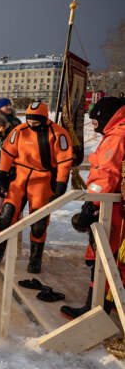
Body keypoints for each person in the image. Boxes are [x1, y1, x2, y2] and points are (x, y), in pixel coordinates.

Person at [0, 101, 73, 273]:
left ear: (44, 119)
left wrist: (61, 185)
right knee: (5, 216)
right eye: (29, 121)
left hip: (43, 180)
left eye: (36, 122)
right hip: (20, 178)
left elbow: (64, 160)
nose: (32, 125)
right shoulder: (20, 131)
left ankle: (35, 258)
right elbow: (7, 153)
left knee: (39, 222)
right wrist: (2, 175)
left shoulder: (58, 134)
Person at [60, 97, 125, 319]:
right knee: (119, 258)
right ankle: (115, 300)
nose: (94, 127)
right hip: (118, 203)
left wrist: (92, 204)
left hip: (114, 208)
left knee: (104, 255)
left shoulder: (117, 137)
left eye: (95, 121)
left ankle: (95, 307)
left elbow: (106, 173)